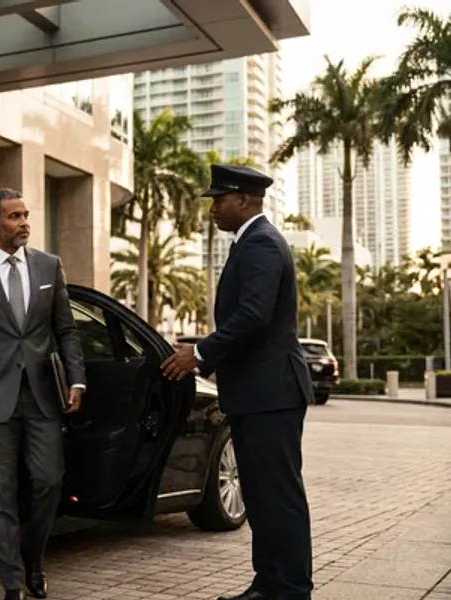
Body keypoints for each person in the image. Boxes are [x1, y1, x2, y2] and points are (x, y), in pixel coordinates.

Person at [160, 164, 314, 600]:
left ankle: (290, 590)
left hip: (271, 394)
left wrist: (200, 353)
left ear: (244, 200)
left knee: (278, 496)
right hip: (256, 394)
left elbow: (253, 316)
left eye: (219, 199)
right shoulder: (250, 242)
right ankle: (269, 584)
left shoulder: (262, 242)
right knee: (261, 498)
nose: (213, 208)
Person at [0, 188, 87, 600]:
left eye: (26, 215)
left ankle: (32, 560)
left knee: (49, 481)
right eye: (14, 217)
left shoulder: (49, 266)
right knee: (1, 494)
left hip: (43, 396)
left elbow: (66, 329)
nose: (24, 223)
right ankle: (12, 583)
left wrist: (76, 380)